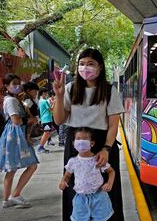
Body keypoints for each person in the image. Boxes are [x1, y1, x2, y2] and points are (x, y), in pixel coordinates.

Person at [53, 48, 125, 221]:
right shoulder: (70, 88)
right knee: (76, 189)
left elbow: (113, 125)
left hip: (102, 143)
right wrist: (60, 95)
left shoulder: (109, 90)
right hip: (76, 143)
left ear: (100, 67)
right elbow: (59, 120)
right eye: (82, 64)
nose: (85, 68)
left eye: (90, 64)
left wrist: (107, 149)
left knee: (105, 191)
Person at [0, 73, 39, 208]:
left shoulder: (13, 99)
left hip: (13, 135)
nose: (18, 86)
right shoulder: (11, 100)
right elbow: (16, 121)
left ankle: (6, 200)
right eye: (14, 84)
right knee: (32, 165)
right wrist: (30, 119)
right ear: (6, 86)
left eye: (19, 83)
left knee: (11, 169)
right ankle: (16, 195)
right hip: (14, 136)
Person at [59, 127, 115, 221]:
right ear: (73, 143)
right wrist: (63, 182)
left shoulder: (98, 159)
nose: (81, 142)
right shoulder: (72, 161)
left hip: (99, 198)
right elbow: (67, 175)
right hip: (80, 199)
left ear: (92, 143)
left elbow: (111, 171)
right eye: (78, 139)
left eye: (85, 139)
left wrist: (109, 183)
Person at [37, 88, 53, 153]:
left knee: (47, 133)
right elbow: (50, 109)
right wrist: (54, 102)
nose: (47, 94)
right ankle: (40, 147)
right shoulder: (44, 101)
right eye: (46, 93)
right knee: (46, 133)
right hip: (47, 119)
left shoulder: (40, 101)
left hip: (45, 119)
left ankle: (41, 146)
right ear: (43, 93)